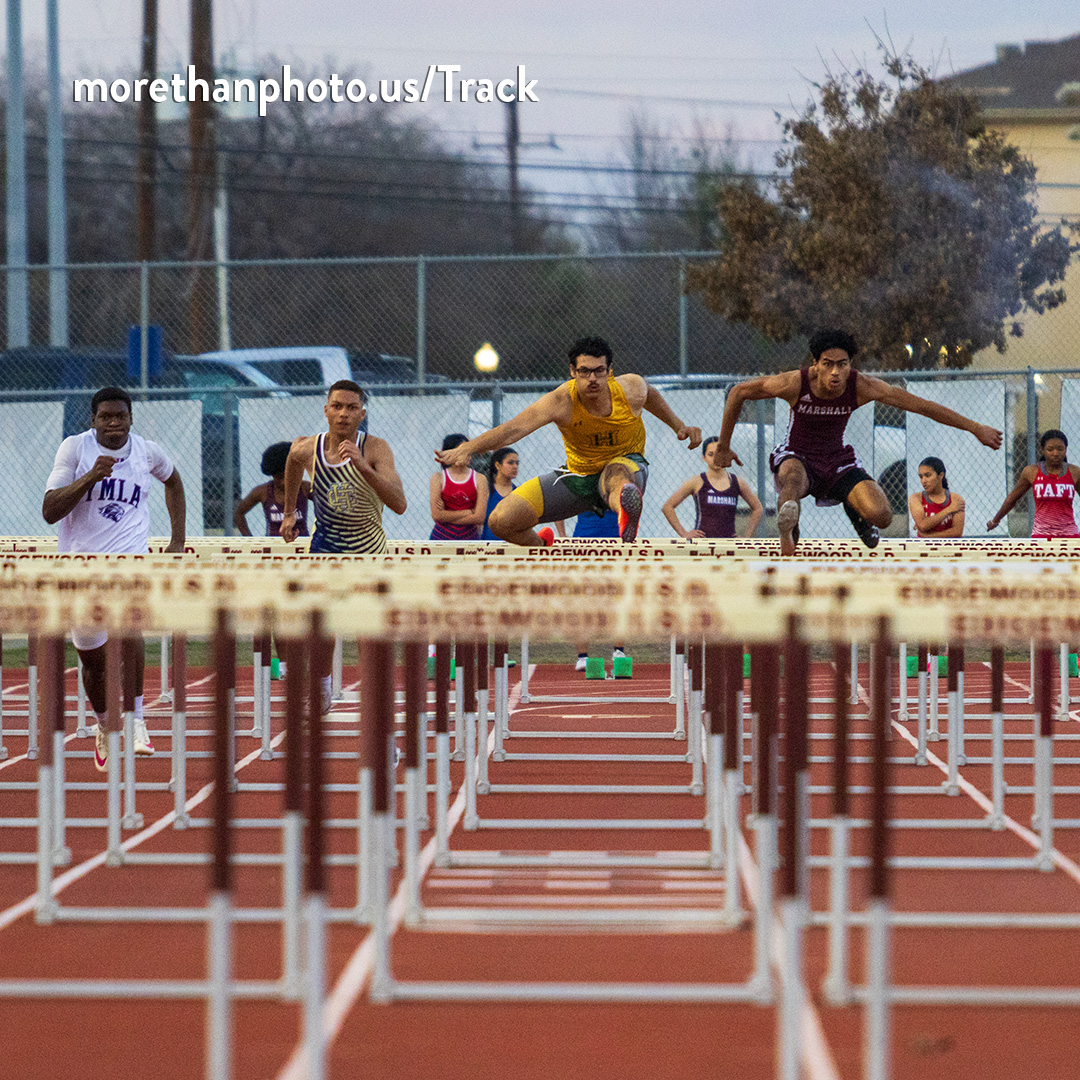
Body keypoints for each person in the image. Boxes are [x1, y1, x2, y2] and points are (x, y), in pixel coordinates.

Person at [716, 328, 1002, 555]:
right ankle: (789, 528)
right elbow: (739, 392)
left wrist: (975, 427)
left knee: (883, 516)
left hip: (837, 459)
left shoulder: (862, 386)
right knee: (792, 480)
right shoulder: (795, 383)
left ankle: (855, 510)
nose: (835, 373)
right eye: (827, 365)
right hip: (797, 454)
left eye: (842, 365)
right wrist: (724, 446)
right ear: (815, 363)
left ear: (850, 364)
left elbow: (921, 405)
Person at [41, 387, 186, 771]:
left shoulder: (147, 451)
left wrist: (177, 540)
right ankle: (105, 724)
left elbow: (174, 481)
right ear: (93, 420)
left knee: (128, 630)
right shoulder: (74, 450)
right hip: (80, 566)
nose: (114, 424)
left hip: (129, 560)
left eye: (120, 416)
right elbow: (50, 511)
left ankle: (137, 718)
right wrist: (90, 476)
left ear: (130, 418)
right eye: (105, 417)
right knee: (92, 656)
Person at [435, 337, 701, 544]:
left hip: (627, 468)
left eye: (599, 371)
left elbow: (651, 395)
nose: (593, 379)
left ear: (610, 371)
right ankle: (542, 546)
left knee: (615, 472)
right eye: (585, 371)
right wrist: (469, 447)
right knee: (501, 520)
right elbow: (512, 430)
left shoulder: (630, 387)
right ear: (572, 371)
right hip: (578, 475)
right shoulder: (561, 400)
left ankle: (625, 509)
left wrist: (679, 425)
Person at [280, 379, 407, 711]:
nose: (343, 414)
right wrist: (291, 512)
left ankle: (379, 721)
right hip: (326, 551)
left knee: (370, 638)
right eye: (337, 406)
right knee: (321, 631)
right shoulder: (308, 448)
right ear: (326, 411)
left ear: (362, 414)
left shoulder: (376, 448)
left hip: (369, 554)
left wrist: (364, 468)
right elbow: (292, 461)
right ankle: (322, 686)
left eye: (352, 408)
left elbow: (399, 504)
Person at [553, 510, 627, 671]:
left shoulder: (617, 486)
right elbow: (558, 506)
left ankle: (619, 651)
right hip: (583, 544)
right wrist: (562, 536)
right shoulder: (580, 487)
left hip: (615, 543)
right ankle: (582, 656)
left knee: (617, 600)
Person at [662, 435, 764, 538]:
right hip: (702, 545)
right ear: (704, 457)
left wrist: (746, 537)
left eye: (719, 454)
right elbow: (668, 507)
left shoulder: (737, 482)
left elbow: (758, 508)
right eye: (711, 454)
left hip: (728, 546)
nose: (715, 459)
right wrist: (684, 534)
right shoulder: (696, 482)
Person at [987, 429, 1080, 538]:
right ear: (1042, 450)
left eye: (1060, 449)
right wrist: (995, 520)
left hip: (1069, 534)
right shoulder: (1031, 472)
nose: (1055, 453)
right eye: (1050, 449)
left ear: (1065, 449)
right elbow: (1012, 499)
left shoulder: (1074, 472)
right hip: (1041, 534)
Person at [234, 441, 310, 537]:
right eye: (277, 477)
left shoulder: (305, 488)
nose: (282, 482)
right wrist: (249, 539)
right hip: (273, 546)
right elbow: (239, 514)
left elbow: (326, 506)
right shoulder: (262, 492)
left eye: (285, 477)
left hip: (301, 546)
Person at [429, 434, 489, 540]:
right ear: (450, 453)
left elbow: (479, 517)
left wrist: (446, 516)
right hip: (442, 538)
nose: (467, 453)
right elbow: (437, 516)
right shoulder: (438, 478)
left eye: (468, 449)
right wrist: (468, 512)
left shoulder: (480, 479)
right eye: (462, 450)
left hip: (469, 538)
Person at [908, 456, 964, 538]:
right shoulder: (917, 498)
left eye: (928, 475)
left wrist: (929, 536)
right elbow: (923, 525)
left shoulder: (956, 499)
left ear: (941, 475)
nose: (923, 481)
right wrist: (949, 510)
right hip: (924, 548)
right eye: (921, 477)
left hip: (949, 548)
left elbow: (957, 532)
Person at [481, 447, 519, 540]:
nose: (515, 466)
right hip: (486, 546)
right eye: (510, 463)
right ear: (498, 465)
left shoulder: (519, 493)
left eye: (517, 463)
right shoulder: (485, 491)